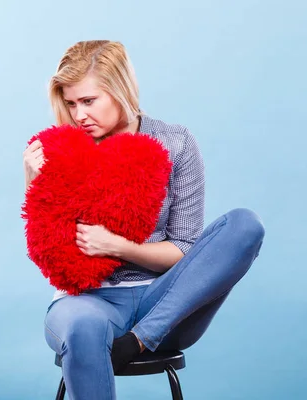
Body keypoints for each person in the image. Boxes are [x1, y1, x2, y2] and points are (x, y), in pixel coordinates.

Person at [22, 40, 265, 400]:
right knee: (82, 327)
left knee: (244, 225)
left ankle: (139, 340)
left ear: (121, 89)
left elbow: (185, 249)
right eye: (71, 103)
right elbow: (48, 246)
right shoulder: (62, 149)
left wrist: (119, 247)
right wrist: (34, 181)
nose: (79, 115)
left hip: (166, 303)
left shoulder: (175, 142)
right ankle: (130, 338)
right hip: (90, 302)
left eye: (89, 101)